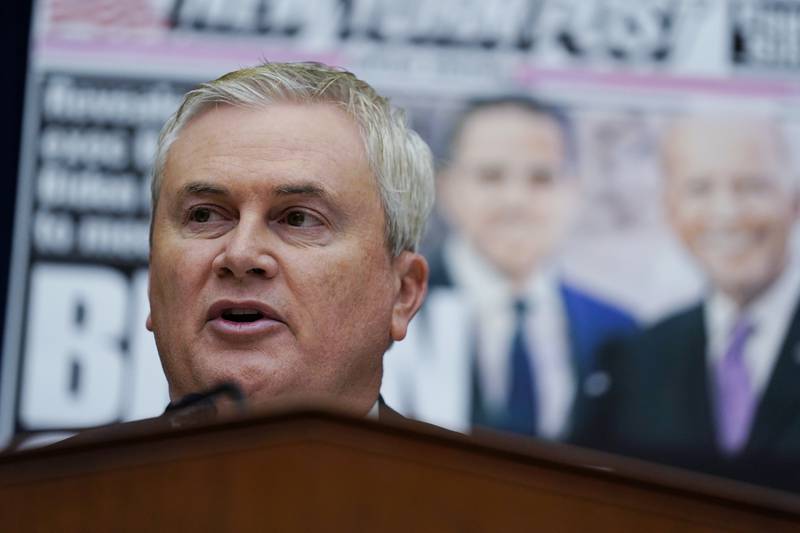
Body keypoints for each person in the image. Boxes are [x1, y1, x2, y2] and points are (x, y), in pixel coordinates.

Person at [144, 62, 434, 420]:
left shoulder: (470, 479)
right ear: (152, 276)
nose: (240, 253)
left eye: (298, 219)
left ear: (403, 293)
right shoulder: (64, 477)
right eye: (204, 215)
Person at [382, 97, 636, 440]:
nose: (515, 200)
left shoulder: (619, 334)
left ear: (574, 190)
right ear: (446, 188)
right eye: (491, 176)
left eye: (541, 177)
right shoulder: (390, 315)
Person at [578, 114, 800, 491]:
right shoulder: (636, 360)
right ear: (670, 208)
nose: (727, 213)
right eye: (699, 188)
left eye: (752, 186)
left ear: (794, 200)